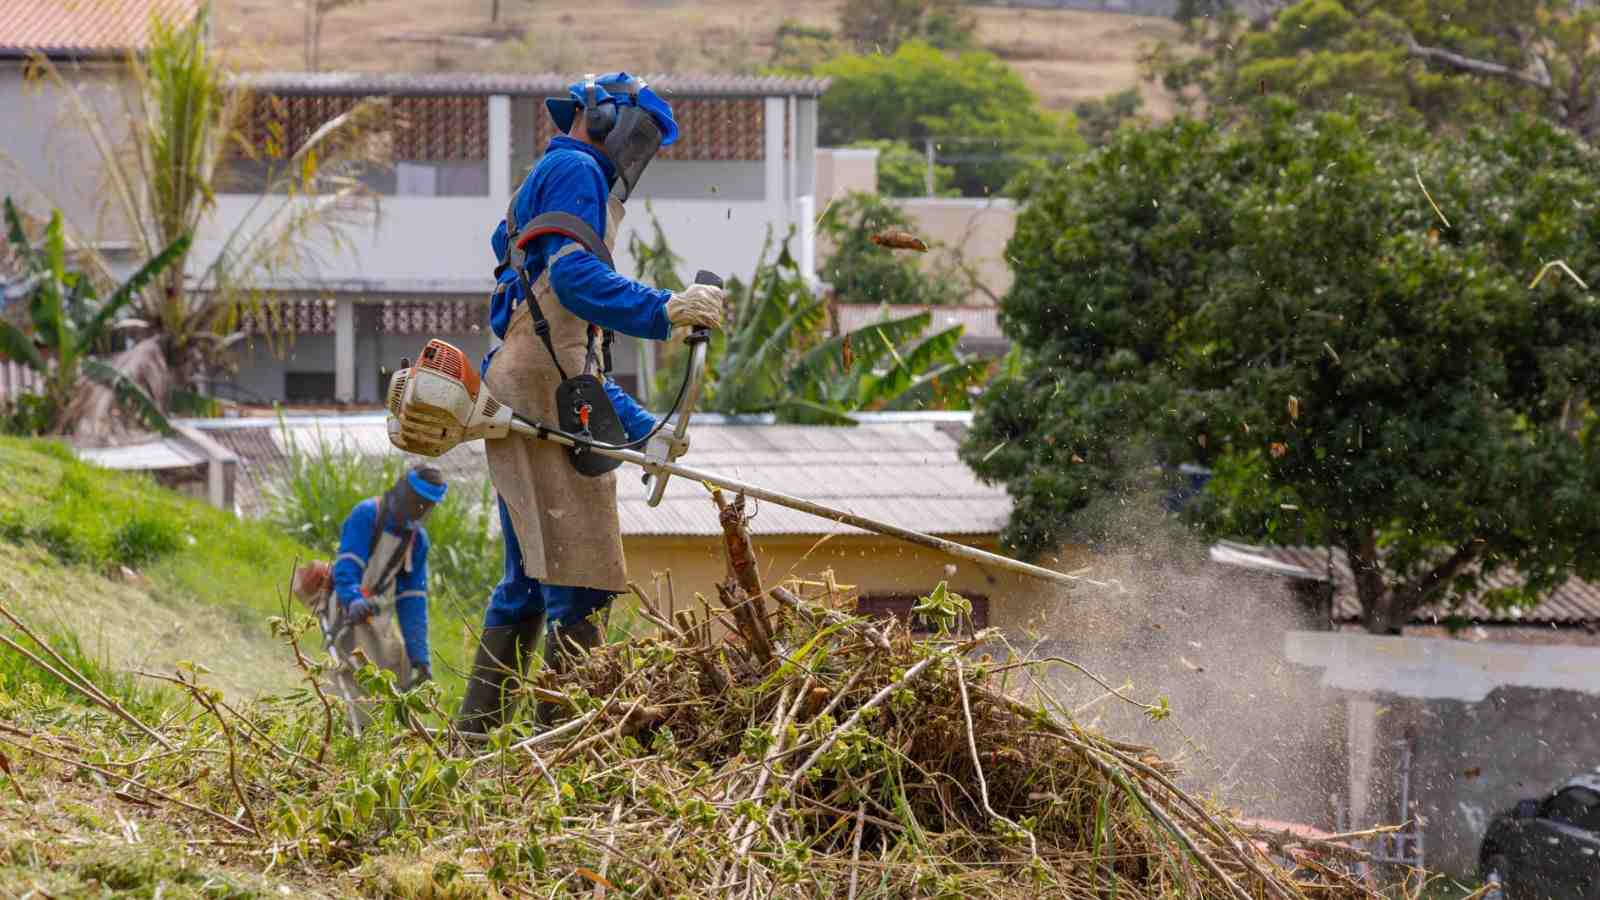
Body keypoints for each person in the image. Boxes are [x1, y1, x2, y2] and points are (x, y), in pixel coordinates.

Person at [455, 72, 724, 733]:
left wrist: (645, 434)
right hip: (538, 389)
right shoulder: (577, 167)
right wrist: (664, 309)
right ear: (600, 118)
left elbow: (575, 365)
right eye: (638, 134)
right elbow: (574, 282)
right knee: (583, 575)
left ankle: (477, 744)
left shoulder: (550, 177)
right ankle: (568, 748)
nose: (637, 154)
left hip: (529, 384)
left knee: (526, 580)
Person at [327, 464, 446, 720]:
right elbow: (347, 565)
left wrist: (420, 658)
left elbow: (412, 602)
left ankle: (390, 730)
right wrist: (352, 598)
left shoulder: (417, 540)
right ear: (403, 490)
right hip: (345, 603)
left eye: (426, 505)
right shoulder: (368, 514)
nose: (419, 509)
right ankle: (347, 723)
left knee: (398, 663)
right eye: (417, 501)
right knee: (359, 668)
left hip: (375, 610)